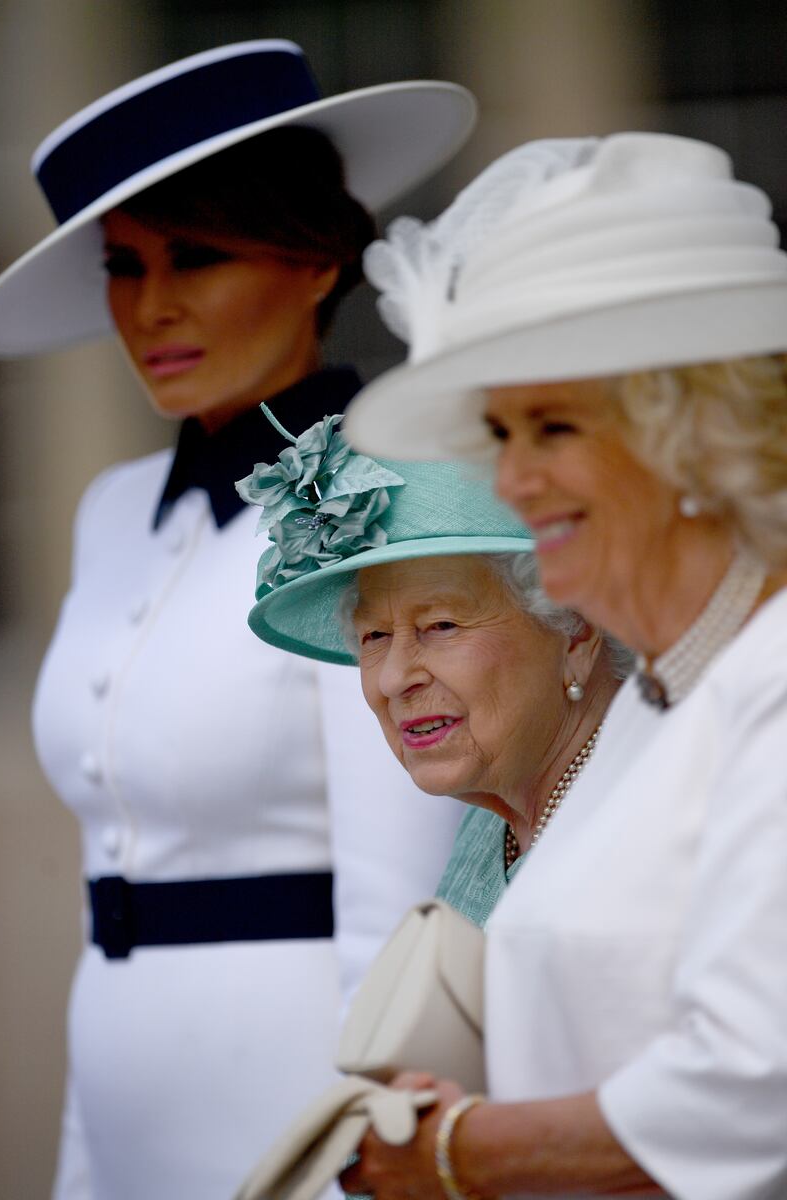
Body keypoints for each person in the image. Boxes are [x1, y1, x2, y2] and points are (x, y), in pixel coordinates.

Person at [0, 42, 476, 1200]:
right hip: (116, 1078)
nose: (150, 306)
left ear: (313, 262)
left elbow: (402, 885)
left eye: (195, 256)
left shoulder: (385, 485)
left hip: (303, 1088)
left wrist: (383, 1131)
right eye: (123, 265)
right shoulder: (110, 514)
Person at [337, 133, 787, 1198]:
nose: (513, 478)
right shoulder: (657, 696)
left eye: (552, 427)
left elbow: (755, 1080)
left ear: (687, 434)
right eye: (500, 431)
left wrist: (455, 1153)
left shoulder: (769, 688)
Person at [239, 438, 630, 929]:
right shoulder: (494, 821)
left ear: (576, 633)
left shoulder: (651, 812)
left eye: (441, 626)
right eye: (375, 635)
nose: (394, 678)